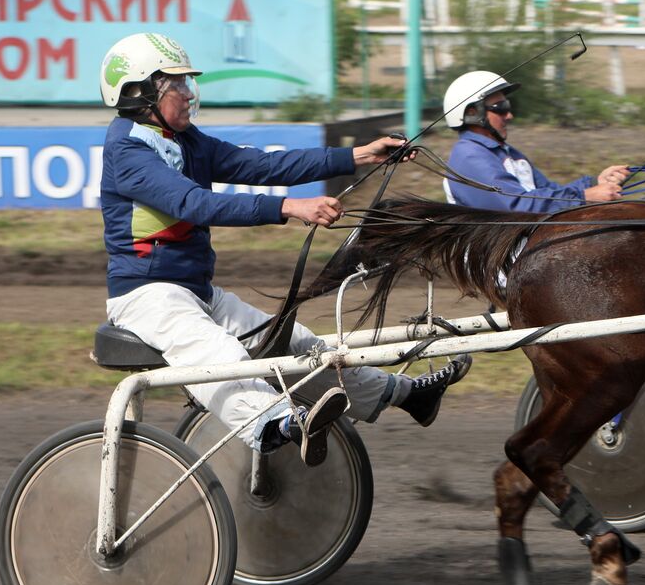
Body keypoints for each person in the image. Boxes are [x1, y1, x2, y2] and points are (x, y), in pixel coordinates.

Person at [98, 32, 470, 467]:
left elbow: (261, 164)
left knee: (297, 343)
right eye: (175, 84)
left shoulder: (184, 139)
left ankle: (405, 395)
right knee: (223, 356)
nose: (186, 92)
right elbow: (193, 203)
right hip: (146, 296)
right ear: (140, 93)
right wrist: (290, 207)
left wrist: (359, 155)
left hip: (196, 292)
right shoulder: (126, 147)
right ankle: (273, 424)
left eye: (185, 83)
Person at [441, 70, 630, 213]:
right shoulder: (469, 156)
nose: (509, 115)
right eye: (501, 108)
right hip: (495, 259)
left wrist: (594, 185)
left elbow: (548, 191)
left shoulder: (507, 153)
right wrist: (584, 197)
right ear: (473, 114)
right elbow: (515, 204)